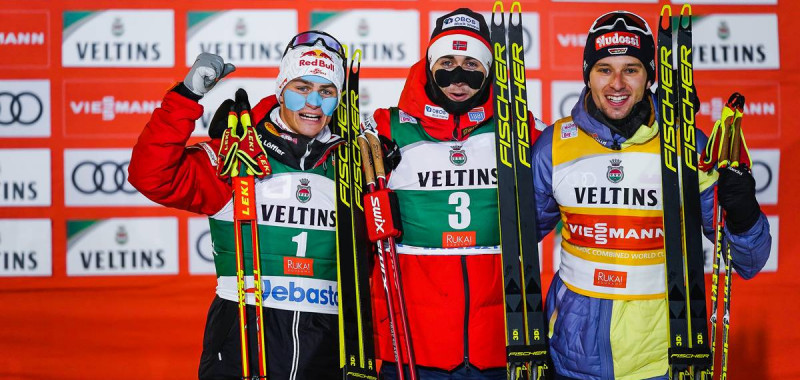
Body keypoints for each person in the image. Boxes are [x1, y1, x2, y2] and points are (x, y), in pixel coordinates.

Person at [531, 11, 772, 379]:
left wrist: (743, 212)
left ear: (649, 76)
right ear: (587, 74)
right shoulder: (554, 145)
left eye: (631, 69)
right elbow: (514, 233)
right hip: (572, 355)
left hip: (663, 358)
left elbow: (748, 262)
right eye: (604, 69)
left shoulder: (687, 146)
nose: (617, 84)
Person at [129, 31, 348, 380]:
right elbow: (151, 175)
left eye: (326, 91)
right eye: (301, 88)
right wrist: (186, 97)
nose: (313, 103)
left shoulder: (350, 163)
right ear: (280, 91)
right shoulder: (237, 155)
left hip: (326, 339)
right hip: (244, 332)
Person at [362, 9, 542, 379]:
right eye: (446, 63)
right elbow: (312, 151)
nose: (457, 78)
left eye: (471, 65)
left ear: (490, 71)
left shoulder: (520, 130)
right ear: (428, 65)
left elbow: (584, 154)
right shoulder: (386, 128)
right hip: (412, 346)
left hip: (499, 345)